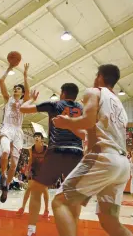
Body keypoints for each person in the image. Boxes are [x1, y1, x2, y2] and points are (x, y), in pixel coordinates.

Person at [52, 64, 133, 236]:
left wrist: (66, 122)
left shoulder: (94, 91)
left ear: (100, 77)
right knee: (109, 221)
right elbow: (90, 131)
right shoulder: (119, 105)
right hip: (122, 164)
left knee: (60, 202)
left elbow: (88, 121)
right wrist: (71, 124)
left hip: (104, 158)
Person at [19, 83, 85, 236]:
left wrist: (31, 99)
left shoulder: (54, 104)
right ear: (75, 95)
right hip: (76, 152)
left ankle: (31, 231)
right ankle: (73, 230)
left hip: (56, 151)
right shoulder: (82, 108)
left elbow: (23, 109)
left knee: (36, 191)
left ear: (62, 93)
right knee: (73, 197)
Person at [0, 63, 30, 203]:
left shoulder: (24, 102)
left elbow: (28, 91)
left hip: (18, 131)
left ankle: (7, 185)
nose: (15, 90)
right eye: (15, 88)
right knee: (5, 151)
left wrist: (25, 76)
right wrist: (9, 69)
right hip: (7, 128)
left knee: (14, 164)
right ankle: (3, 174)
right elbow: (1, 81)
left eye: (18, 89)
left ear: (22, 93)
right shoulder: (7, 99)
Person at [16, 132, 49, 218]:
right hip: (34, 169)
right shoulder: (31, 148)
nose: (36, 138)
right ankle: (22, 207)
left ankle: (46, 210)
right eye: (35, 137)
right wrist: (27, 169)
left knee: (44, 190)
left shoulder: (46, 148)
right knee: (29, 188)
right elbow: (30, 159)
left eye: (38, 136)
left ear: (42, 139)